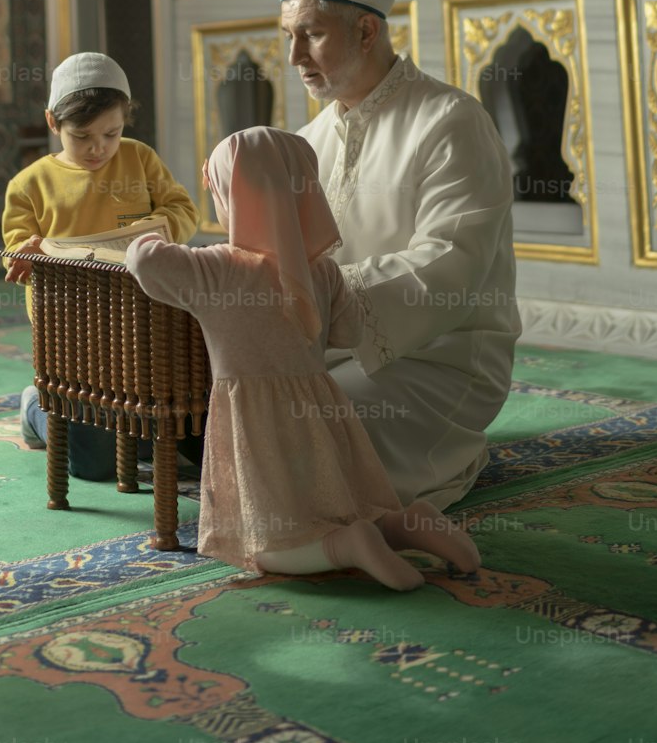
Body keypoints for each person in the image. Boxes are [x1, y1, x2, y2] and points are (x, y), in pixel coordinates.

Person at [126, 128, 481, 587]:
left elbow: (144, 261)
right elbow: (349, 331)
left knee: (268, 545)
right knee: (337, 505)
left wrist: (150, 232)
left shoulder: (215, 268)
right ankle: (404, 523)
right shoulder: (322, 272)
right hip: (321, 416)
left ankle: (348, 546)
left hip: (254, 424)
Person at [281, 0, 521, 508]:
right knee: (231, 408)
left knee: (298, 435)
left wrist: (328, 295)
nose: (294, 57)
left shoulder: (451, 120)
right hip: (328, 352)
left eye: (311, 33)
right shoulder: (305, 143)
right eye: (287, 36)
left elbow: (451, 264)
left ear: (367, 31)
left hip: (442, 361)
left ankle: (452, 449)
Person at [2, 51, 199, 480]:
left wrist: (160, 229)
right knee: (93, 469)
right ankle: (36, 406)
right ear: (53, 123)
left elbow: (182, 208)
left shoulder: (139, 159)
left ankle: (131, 434)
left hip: (140, 315)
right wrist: (28, 252)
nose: (98, 148)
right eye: (82, 136)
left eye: (111, 133)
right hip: (71, 329)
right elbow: (17, 245)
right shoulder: (28, 185)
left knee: (157, 423)